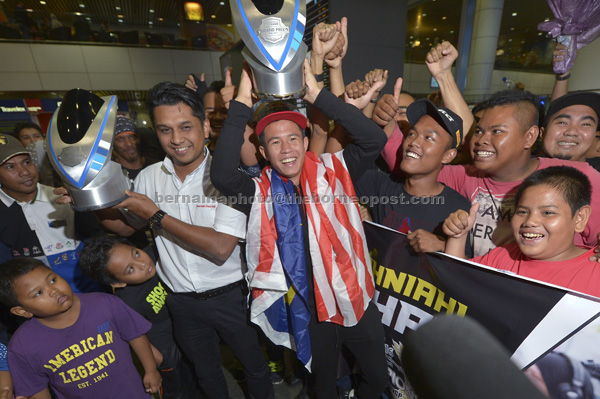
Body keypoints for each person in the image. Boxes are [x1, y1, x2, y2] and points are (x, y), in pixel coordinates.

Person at [55, 81, 273, 399]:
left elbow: (220, 247)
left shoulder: (228, 176)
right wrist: (90, 201)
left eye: (186, 126)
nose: (177, 139)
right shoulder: (148, 176)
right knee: (207, 375)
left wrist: (156, 215)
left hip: (232, 297)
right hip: (180, 302)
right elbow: (128, 228)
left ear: (206, 126)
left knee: (255, 368)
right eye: (165, 130)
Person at [210, 60, 388, 399]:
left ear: (306, 141)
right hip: (313, 308)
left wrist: (317, 94)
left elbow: (373, 138)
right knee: (321, 387)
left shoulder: (335, 168)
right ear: (263, 151)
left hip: (355, 298)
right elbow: (221, 175)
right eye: (275, 143)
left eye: (293, 137)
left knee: (375, 379)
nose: (286, 148)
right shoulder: (259, 191)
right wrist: (242, 103)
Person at [377, 88, 600, 258]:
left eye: (497, 132)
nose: (482, 140)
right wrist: (386, 120)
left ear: (530, 137)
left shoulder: (577, 178)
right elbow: (412, 166)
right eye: (480, 131)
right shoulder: (466, 176)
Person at [0, 257, 161, 398]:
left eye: (52, 280)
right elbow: (36, 389)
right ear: (22, 311)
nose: (54, 291)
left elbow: (135, 334)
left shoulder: (105, 303)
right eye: (38, 293)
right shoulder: (22, 347)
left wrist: (151, 370)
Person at [444, 166, 600, 297]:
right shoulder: (503, 257)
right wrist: (458, 236)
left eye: (547, 213)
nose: (530, 222)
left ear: (579, 218)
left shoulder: (596, 272)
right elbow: (456, 282)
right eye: (522, 212)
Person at [79, 236, 199, 399]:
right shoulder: (126, 302)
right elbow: (135, 336)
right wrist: (159, 361)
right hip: (167, 351)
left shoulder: (158, 255)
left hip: (188, 334)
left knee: (200, 380)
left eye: (136, 253)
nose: (142, 264)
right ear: (118, 283)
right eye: (130, 269)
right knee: (180, 393)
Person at [356, 98, 472, 255]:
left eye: (429, 138)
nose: (414, 142)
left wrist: (442, 245)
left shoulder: (457, 208)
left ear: (448, 156)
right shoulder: (379, 185)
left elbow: (466, 272)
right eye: (412, 133)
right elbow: (329, 174)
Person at [0, 134, 103, 293]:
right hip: (39, 305)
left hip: (87, 293)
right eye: (10, 167)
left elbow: (96, 245)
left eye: (27, 162)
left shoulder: (64, 197)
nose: (24, 172)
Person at [541, 91, 600, 163]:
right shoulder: (526, 170)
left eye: (585, 124)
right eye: (562, 123)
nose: (572, 132)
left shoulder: (596, 173)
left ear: (594, 135)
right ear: (542, 133)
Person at [112, 116, 159, 181]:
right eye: (120, 139)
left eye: (132, 137)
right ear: (112, 144)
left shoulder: (158, 167)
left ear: (139, 138)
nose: (129, 144)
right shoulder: (111, 176)